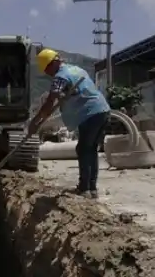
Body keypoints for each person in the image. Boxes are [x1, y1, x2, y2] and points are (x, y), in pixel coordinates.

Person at [27, 48, 110, 199]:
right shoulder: (76, 70)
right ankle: (92, 189)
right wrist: (64, 95)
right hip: (102, 109)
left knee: (84, 149)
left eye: (47, 69)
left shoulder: (60, 77)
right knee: (91, 150)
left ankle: (85, 189)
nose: (47, 73)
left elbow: (50, 102)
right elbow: (68, 94)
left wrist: (35, 121)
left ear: (53, 64)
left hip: (90, 113)